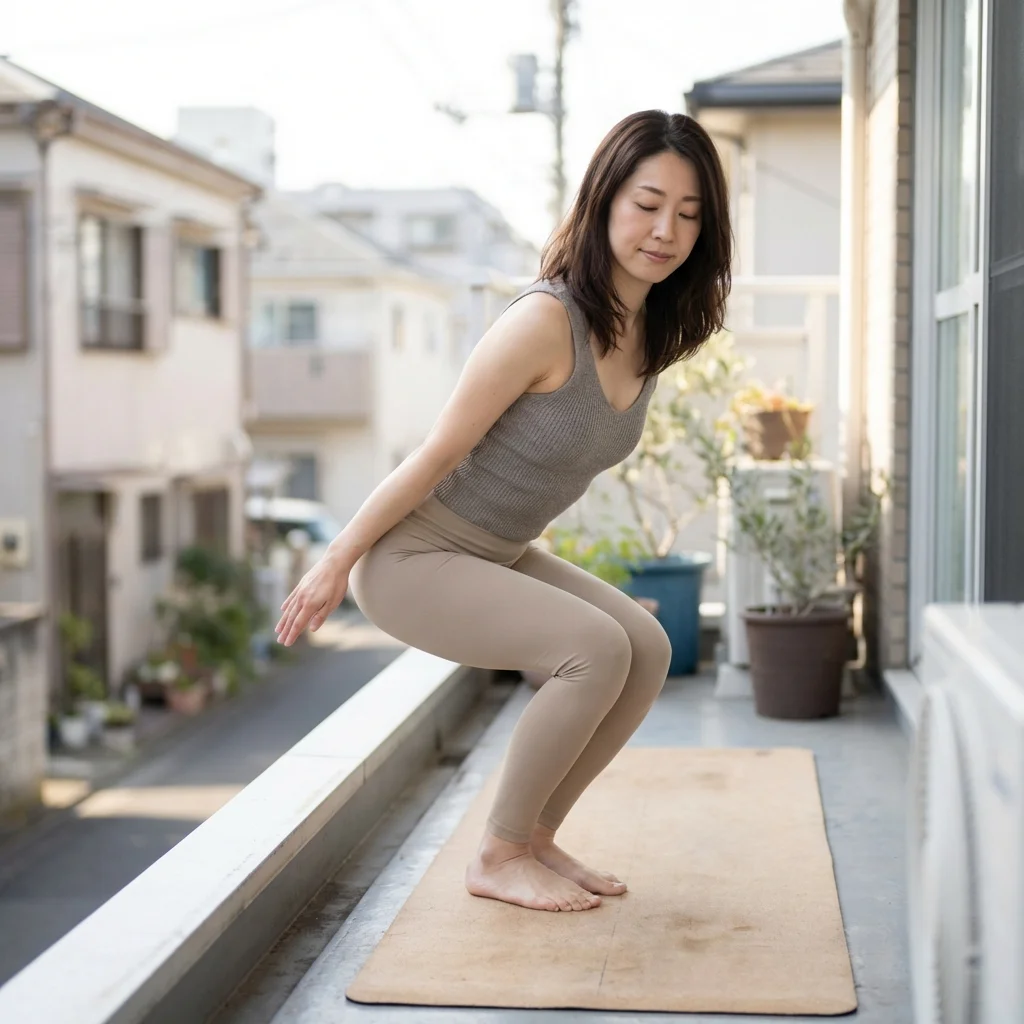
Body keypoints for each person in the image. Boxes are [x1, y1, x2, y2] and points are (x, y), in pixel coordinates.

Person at [275, 109, 732, 913]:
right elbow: (435, 455)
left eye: (689, 215)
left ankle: (537, 836)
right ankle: (497, 853)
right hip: (415, 558)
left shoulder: (653, 329)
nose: (665, 230)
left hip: (496, 550)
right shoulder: (544, 321)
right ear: (603, 202)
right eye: (648, 203)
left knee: (647, 646)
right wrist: (335, 559)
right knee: (593, 648)